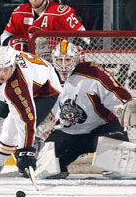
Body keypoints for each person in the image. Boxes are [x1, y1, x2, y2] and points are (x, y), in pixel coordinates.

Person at [0, 46, 62, 182]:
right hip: (12, 88)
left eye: (6, 69)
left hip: (45, 90)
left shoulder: (18, 85)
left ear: (13, 66)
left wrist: (26, 150)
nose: (1, 74)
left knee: (10, 128)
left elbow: (26, 119)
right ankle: (26, 142)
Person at [44, 40, 136, 179]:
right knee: (47, 169)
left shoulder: (92, 72)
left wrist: (126, 106)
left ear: (76, 59)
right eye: (59, 60)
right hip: (70, 132)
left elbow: (114, 92)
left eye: (67, 60)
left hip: (102, 127)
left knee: (116, 168)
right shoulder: (47, 77)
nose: (63, 65)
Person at [0, 0, 85, 50]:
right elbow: (4, 37)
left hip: (56, 62)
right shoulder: (19, 12)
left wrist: (69, 49)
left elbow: (85, 38)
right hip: (28, 61)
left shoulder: (61, 13)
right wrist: (13, 42)